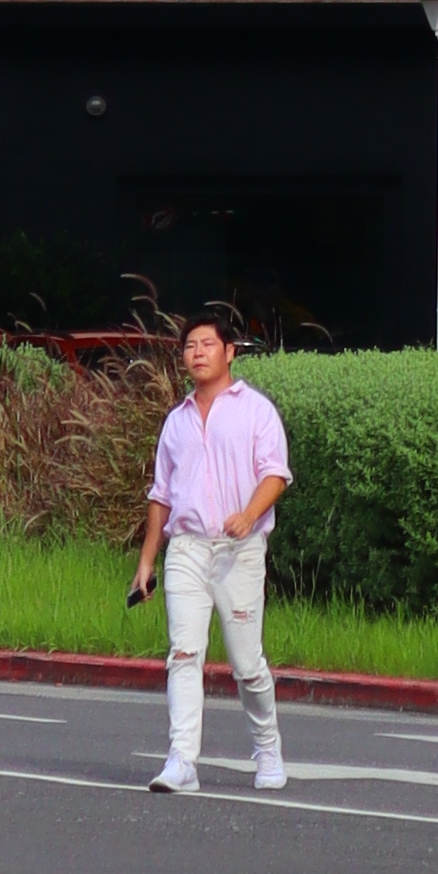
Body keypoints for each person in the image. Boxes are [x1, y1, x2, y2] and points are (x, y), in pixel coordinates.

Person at [134, 304, 291, 799]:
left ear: (229, 352)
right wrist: (146, 561)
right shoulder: (176, 421)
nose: (197, 353)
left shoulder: (255, 409)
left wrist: (248, 514)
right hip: (186, 549)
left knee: (247, 664)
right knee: (183, 653)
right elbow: (161, 495)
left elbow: (275, 473)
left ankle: (267, 749)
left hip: (238, 550)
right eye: (189, 346)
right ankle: (182, 760)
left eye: (207, 345)